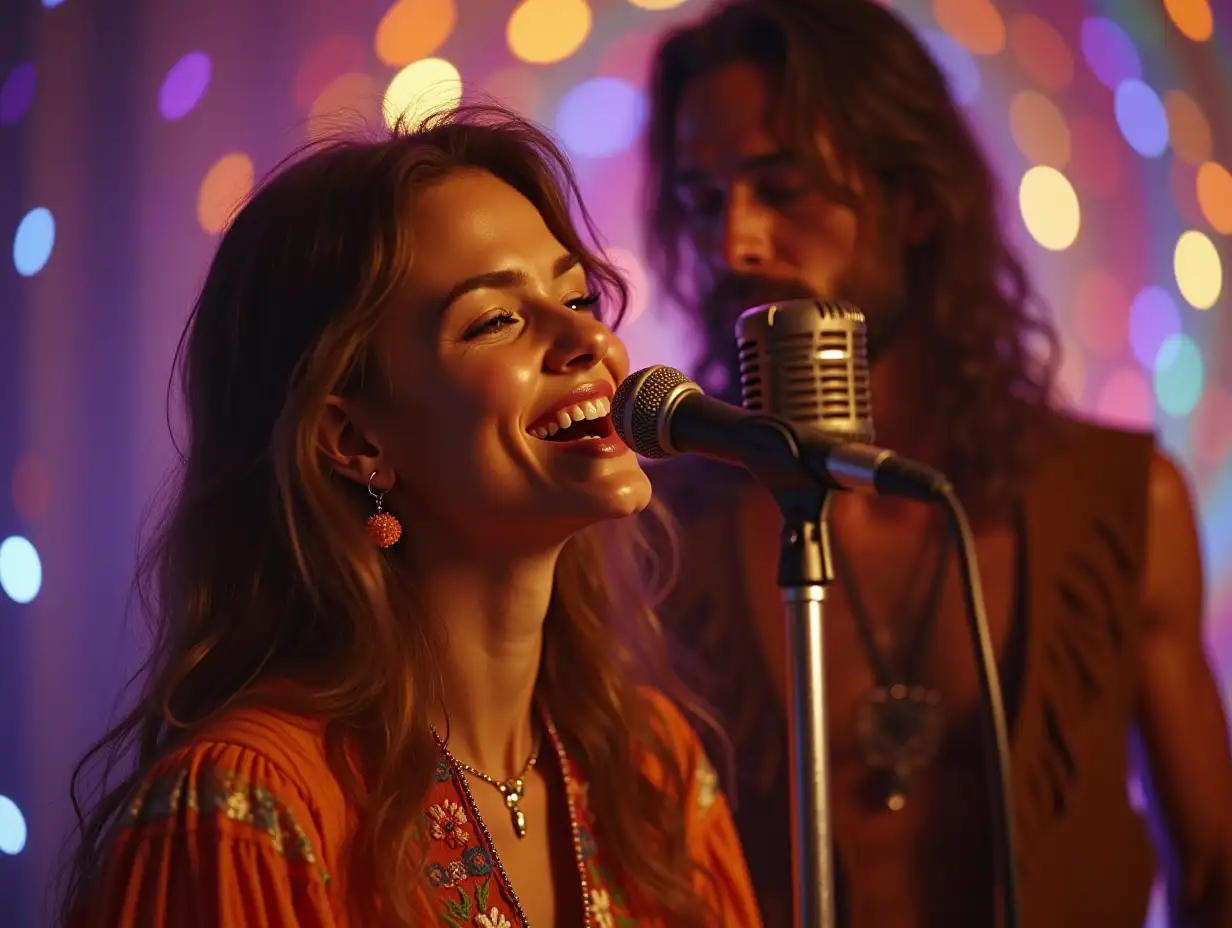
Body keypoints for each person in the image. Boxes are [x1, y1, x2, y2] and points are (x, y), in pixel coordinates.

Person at [59, 105, 761, 928]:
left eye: (576, 295)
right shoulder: (247, 811)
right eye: (496, 319)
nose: (587, 341)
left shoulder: (651, 772)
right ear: (355, 439)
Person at [641, 1, 1232, 926]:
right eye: (704, 202)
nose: (735, 244)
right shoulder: (663, 529)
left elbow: (1212, 871)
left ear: (913, 200)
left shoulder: (1121, 499)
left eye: (783, 186)